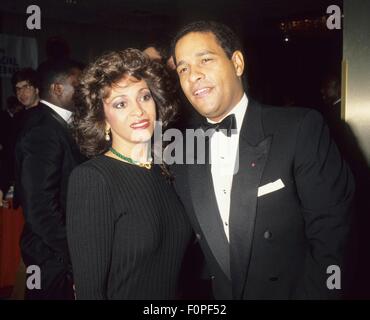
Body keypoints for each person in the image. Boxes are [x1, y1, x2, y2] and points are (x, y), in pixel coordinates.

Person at [170, 20, 355, 299]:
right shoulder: (182, 152)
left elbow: (333, 235)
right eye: (183, 68)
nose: (192, 75)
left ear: (237, 63)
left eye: (205, 60)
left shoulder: (299, 128)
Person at [66, 49, 192, 300]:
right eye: (121, 103)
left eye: (144, 97)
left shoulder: (166, 169)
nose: (138, 111)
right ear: (102, 119)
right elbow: (90, 292)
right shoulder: (93, 179)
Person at [15, 59, 85, 299]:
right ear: (58, 89)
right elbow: (40, 209)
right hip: (50, 254)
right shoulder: (44, 128)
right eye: (79, 84)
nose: (85, 90)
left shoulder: (54, 124)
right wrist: (74, 250)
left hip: (53, 252)